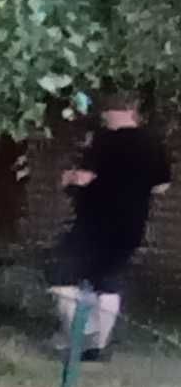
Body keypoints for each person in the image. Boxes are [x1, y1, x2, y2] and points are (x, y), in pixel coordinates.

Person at [52, 91, 174, 361]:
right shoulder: (154, 143)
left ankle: (78, 338)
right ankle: (98, 345)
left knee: (62, 276)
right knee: (107, 281)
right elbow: (162, 186)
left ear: (113, 112)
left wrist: (67, 177)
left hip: (94, 221)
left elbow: (83, 179)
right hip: (131, 223)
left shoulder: (104, 140)